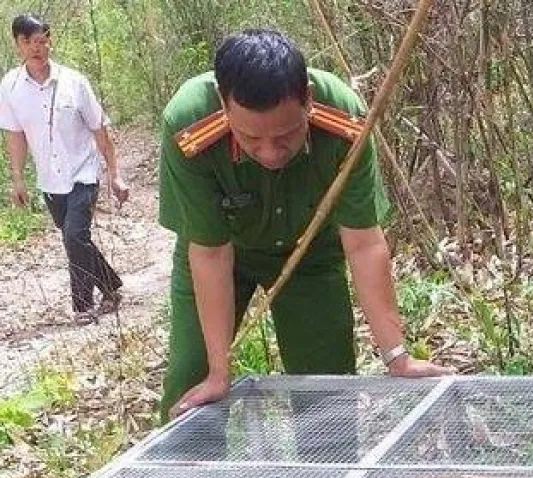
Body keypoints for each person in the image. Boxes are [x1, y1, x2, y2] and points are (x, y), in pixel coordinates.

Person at [157, 28, 448, 420]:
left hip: (310, 255)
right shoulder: (189, 124)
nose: (271, 153)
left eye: (286, 135)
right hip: (221, 254)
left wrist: (397, 355)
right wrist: (218, 371)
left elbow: (363, 243)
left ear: (308, 100)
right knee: (191, 384)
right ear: (225, 109)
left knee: (328, 393)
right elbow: (210, 252)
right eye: (251, 138)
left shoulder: (344, 118)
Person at [0, 13, 127, 323]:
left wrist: (115, 174)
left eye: (42, 41)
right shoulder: (10, 86)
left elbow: (100, 130)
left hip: (83, 173)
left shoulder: (74, 82)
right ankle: (111, 286)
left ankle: (82, 306)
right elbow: (15, 135)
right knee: (76, 238)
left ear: (50, 42)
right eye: (28, 42)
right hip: (50, 181)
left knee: (73, 236)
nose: (36, 48)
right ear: (18, 44)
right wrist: (17, 178)